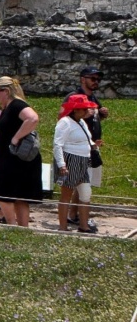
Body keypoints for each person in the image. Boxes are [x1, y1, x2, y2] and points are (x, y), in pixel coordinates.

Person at [0, 76, 42, 227]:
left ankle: (11, 224)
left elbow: (33, 118)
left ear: (7, 91)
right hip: (7, 158)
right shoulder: (7, 108)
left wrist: (16, 138)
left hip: (15, 159)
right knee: (19, 196)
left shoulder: (17, 105)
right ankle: (22, 228)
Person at [63, 66, 107, 226]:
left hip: (91, 147)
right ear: (83, 79)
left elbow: (92, 120)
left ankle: (74, 214)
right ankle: (75, 219)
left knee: (83, 183)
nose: (96, 82)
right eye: (93, 78)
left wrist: (100, 115)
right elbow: (63, 120)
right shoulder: (73, 97)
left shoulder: (93, 99)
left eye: (98, 79)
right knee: (78, 183)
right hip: (77, 148)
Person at [53, 94, 98, 233]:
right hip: (70, 159)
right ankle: (63, 226)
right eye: (83, 109)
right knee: (67, 193)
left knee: (85, 193)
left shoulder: (81, 122)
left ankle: (83, 225)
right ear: (75, 110)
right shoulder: (65, 122)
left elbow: (86, 138)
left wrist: (93, 145)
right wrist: (61, 164)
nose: (86, 111)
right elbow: (57, 144)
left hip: (83, 160)